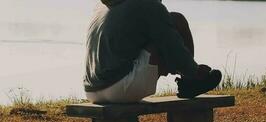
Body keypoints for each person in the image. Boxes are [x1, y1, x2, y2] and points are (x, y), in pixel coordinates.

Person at [84, 0, 222, 103]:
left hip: (92, 89)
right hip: (120, 88)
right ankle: (191, 81)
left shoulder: (101, 6)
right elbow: (171, 45)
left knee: (154, 35)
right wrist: (193, 69)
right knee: (176, 21)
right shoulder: (148, 4)